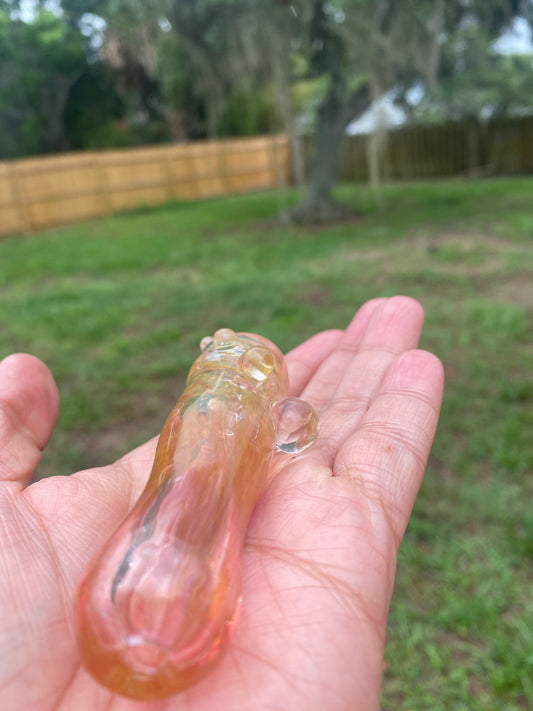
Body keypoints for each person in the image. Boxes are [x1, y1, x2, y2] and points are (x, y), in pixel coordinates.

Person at [0, 296, 443, 711]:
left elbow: (285, 431)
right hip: (134, 623)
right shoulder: (222, 411)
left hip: (148, 619)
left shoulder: (224, 412)